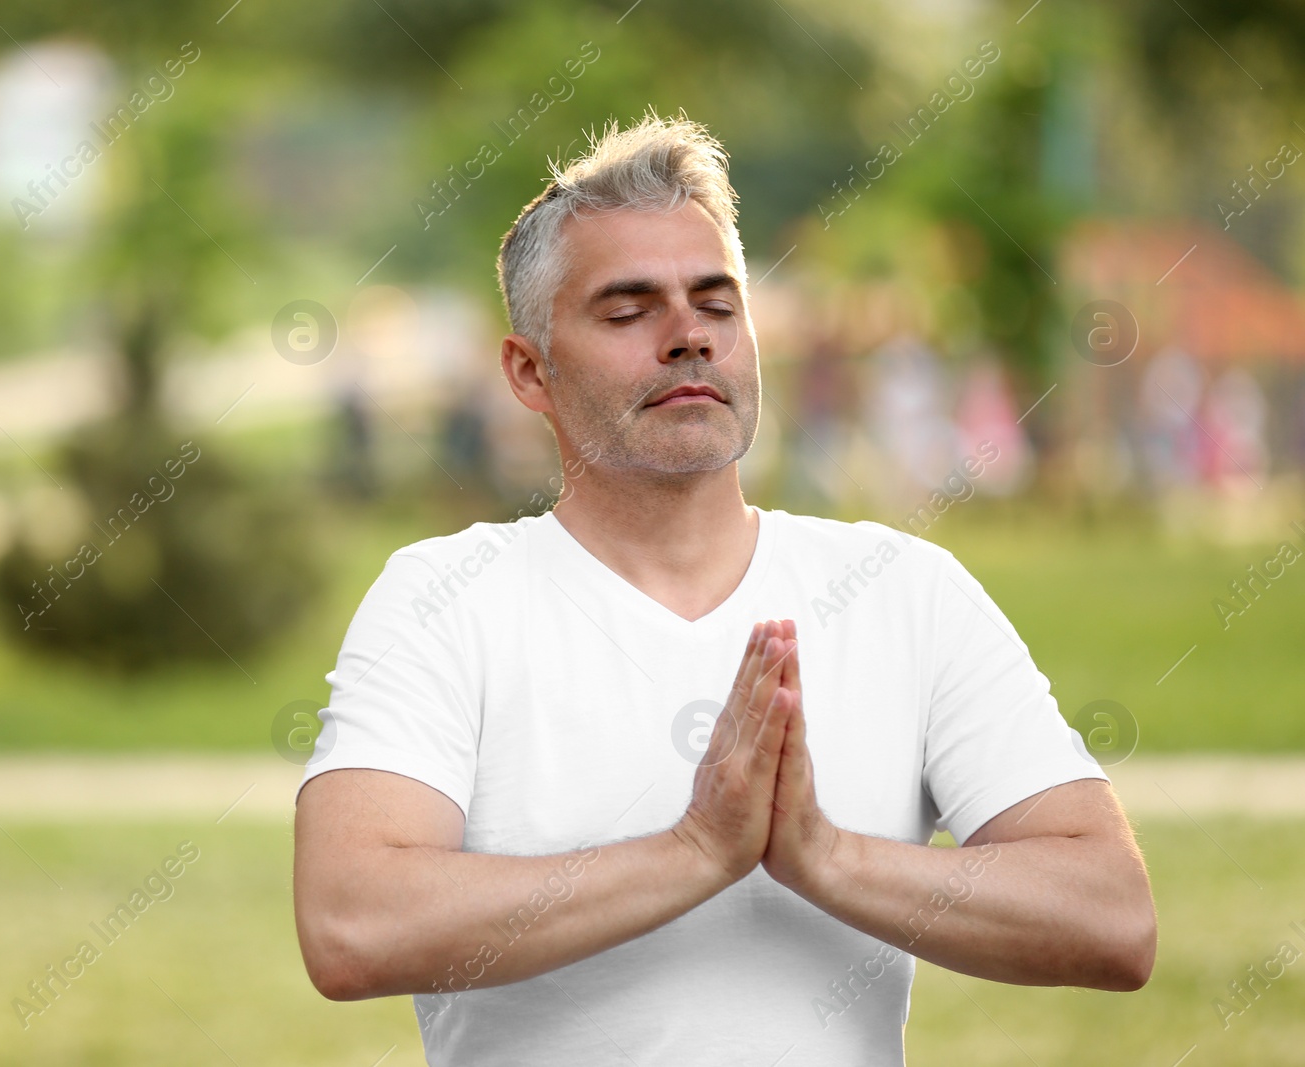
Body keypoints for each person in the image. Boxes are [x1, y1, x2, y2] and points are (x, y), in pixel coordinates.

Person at [292, 111, 1156, 1066]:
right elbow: (350, 925)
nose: (687, 337)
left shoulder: (904, 589)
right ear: (529, 371)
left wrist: (824, 857)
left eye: (717, 303)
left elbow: (1112, 917)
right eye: (628, 310)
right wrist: (697, 851)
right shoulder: (447, 597)